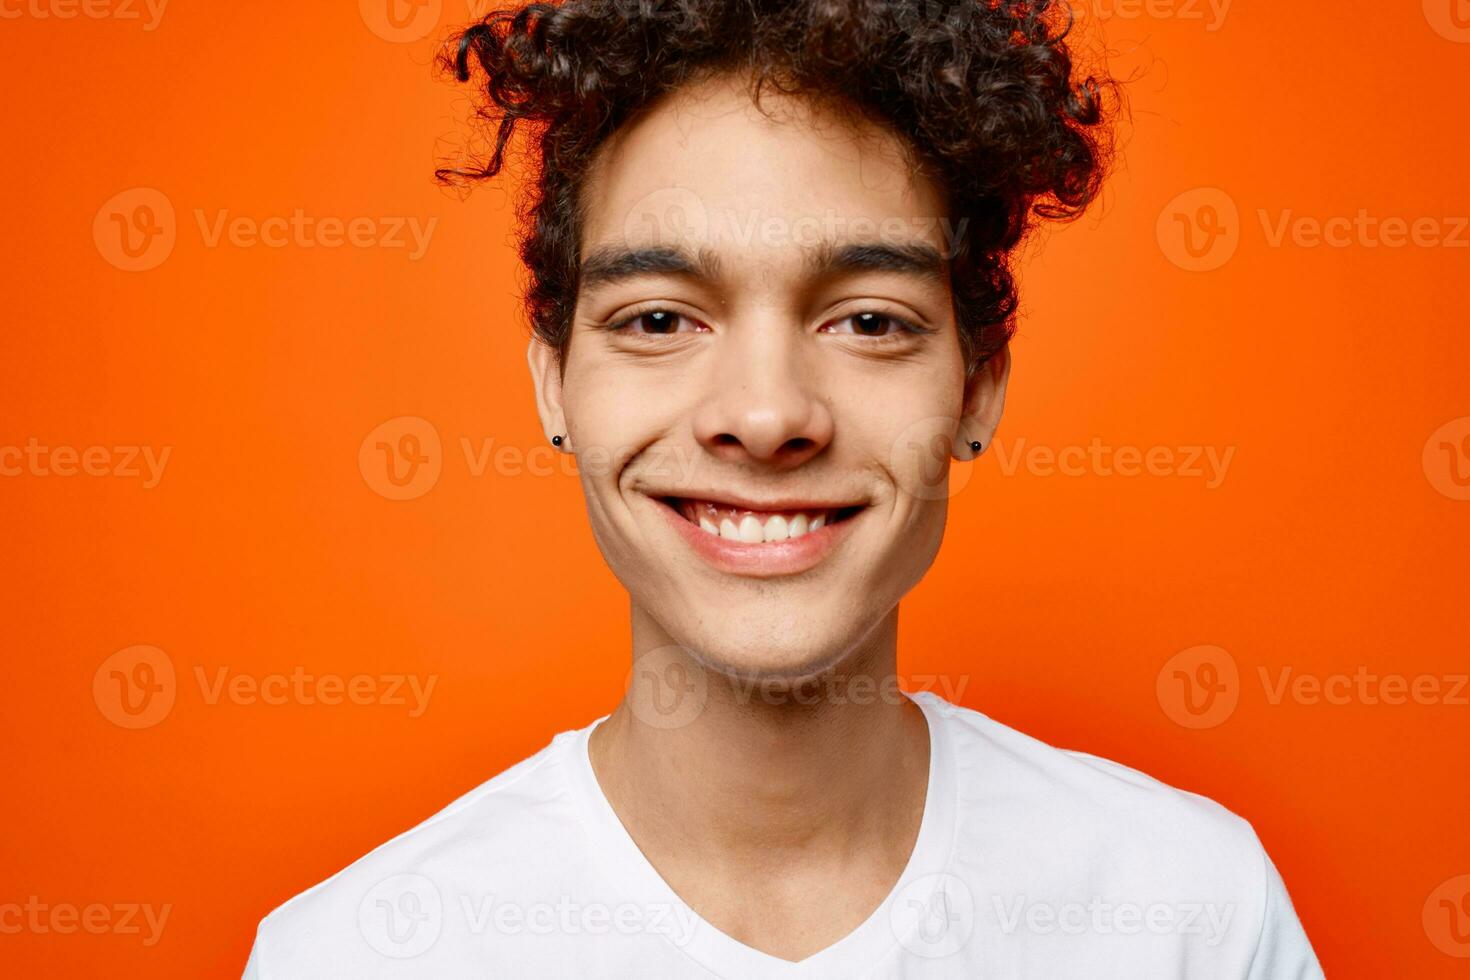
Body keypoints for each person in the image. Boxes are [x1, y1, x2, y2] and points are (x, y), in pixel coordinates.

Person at [244, 1, 1324, 975]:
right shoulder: (354, 952)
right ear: (553, 380)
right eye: (660, 318)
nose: (765, 416)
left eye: (867, 320)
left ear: (978, 386)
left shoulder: (1192, 913)